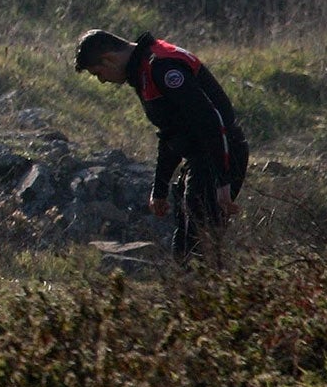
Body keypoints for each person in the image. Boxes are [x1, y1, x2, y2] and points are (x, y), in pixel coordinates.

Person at [76, 28, 248, 261]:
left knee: (198, 248)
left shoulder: (161, 66)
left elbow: (211, 121)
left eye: (98, 73)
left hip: (219, 154)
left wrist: (222, 182)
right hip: (199, 159)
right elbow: (171, 134)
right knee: (184, 247)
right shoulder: (143, 70)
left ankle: (214, 294)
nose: (103, 80)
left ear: (109, 59)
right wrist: (160, 188)